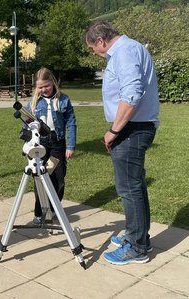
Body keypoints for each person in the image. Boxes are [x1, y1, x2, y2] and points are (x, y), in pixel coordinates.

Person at [84, 21, 160, 265]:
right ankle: (137, 237)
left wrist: (114, 130)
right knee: (133, 186)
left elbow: (132, 93)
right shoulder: (128, 49)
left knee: (129, 188)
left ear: (101, 41)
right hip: (133, 127)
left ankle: (137, 248)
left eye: (92, 48)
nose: (94, 53)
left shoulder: (125, 51)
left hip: (131, 128)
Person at [25, 67, 77, 225]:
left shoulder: (64, 100)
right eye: (40, 87)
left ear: (53, 83)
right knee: (39, 177)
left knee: (58, 177)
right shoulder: (33, 102)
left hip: (58, 143)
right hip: (40, 143)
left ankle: (55, 209)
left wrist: (71, 145)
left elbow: (71, 123)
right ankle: (39, 212)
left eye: (46, 86)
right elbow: (27, 122)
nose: (43, 89)